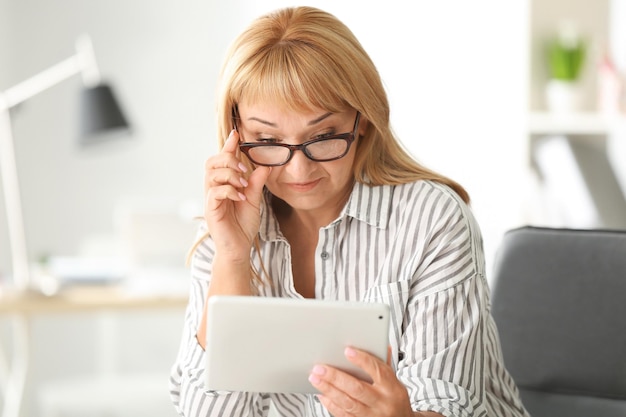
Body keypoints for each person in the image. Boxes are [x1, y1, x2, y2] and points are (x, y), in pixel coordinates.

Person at [169, 6, 530, 417]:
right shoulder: (223, 234)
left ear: (363, 120)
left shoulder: (432, 220)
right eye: (267, 138)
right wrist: (232, 258)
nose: (297, 168)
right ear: (235, 132)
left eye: (322, 135)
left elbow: (449, 403)